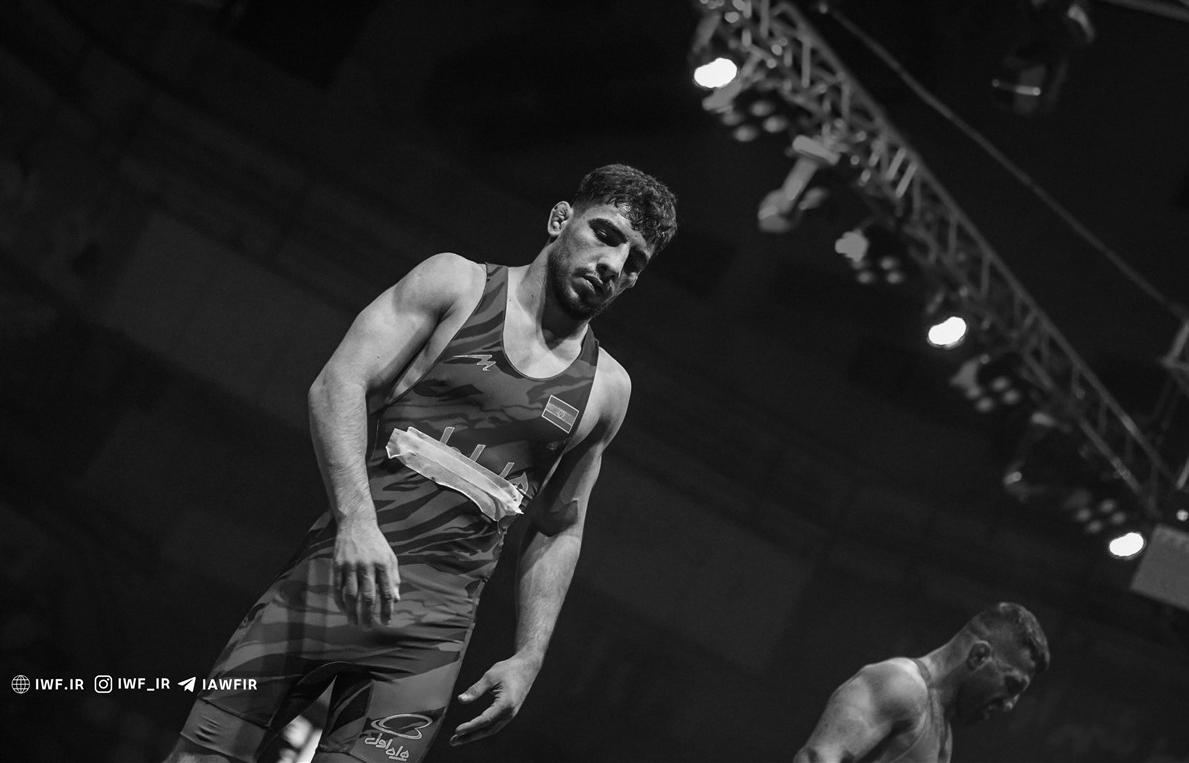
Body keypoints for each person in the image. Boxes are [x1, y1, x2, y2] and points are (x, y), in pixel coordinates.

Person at [166, 163, 678, 763]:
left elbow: (560, 524)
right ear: (560, 219)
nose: (613, 265)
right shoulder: (456, 285)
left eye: (634, 262)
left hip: (427, 644)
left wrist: (529, 656)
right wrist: (356, 522)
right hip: (325, 585)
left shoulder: (607, 388)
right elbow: (338, 385)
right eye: (606, 235)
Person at [794, 602, 1050, 763]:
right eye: (1012, 685)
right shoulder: (900, 685)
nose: (1009, 704)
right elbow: (815, 758)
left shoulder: (943, 735)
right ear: (979, 656)